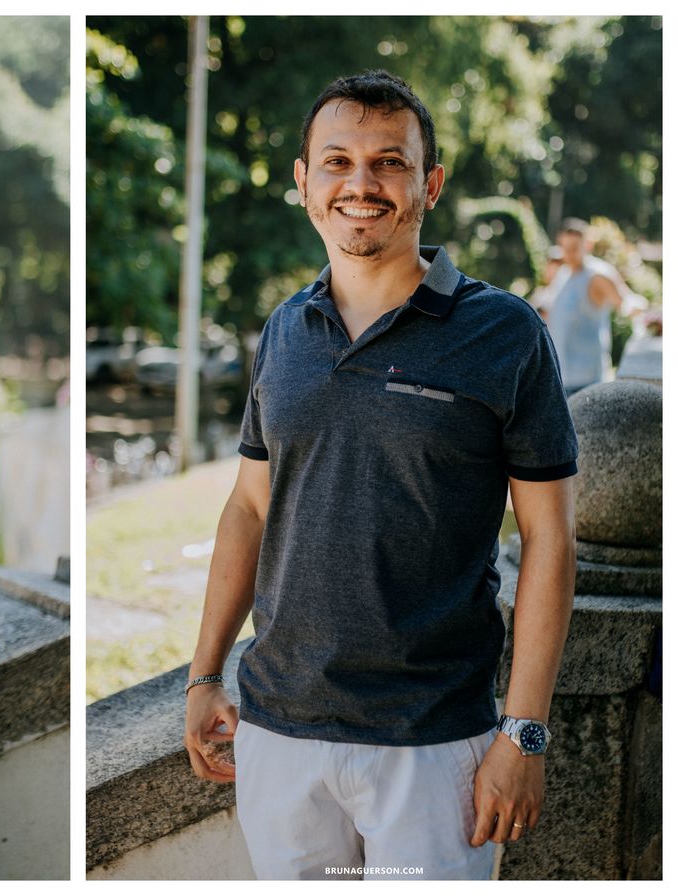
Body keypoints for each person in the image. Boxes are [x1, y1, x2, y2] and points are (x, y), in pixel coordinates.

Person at [183, 70, 578, 881]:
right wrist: (203, 674)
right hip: (279, 733)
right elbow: (249, 510)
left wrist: (525, 730)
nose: (361, 185)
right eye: (336, 162)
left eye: (389, 163)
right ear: (303, 183)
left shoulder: (504, 333)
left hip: (433, 746)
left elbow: (550, 539)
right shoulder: (286, 328)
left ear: (428, 184)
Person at [544, 218, 629, 394]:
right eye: (565, 248)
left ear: (587, 244)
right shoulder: (562, 274)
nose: (569, 254)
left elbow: (627, 303)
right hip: (560, 377)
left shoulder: (598, 276)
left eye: (574, 248)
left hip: (588, 381)